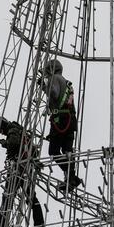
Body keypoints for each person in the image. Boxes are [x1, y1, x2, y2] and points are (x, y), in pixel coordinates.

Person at [0, 117, 45, 227]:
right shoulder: (19, 130)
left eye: (0, 130)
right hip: (26, 166)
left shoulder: (12, 130)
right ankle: (39, 224)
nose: (1, 133)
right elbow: (21, 145)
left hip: (19, 167)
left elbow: (14, 144)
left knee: (8, 195)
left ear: (3, 125)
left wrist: (8, 149)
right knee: (30, 196)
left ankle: (1, 225)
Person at [38, 59, 82, 192]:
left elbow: (54, 93)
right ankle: (71, 178)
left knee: (54, 151)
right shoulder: (67, 83)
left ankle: (71, 175)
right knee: (68, 150)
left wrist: (43, 86)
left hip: (60, 119)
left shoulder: (54, 79)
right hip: (70, 120)